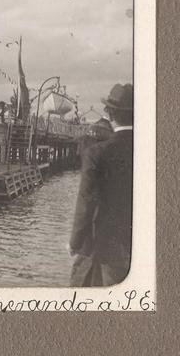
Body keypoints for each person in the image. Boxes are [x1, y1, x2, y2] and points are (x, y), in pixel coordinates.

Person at [69, 83, 133, 287]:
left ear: (110, 114)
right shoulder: (152, 147)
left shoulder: (97, 153)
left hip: (107, 246)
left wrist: (75, 242)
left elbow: (86, 201)